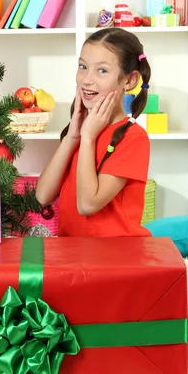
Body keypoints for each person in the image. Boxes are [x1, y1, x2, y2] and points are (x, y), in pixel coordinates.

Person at [35, 27, 152, 237]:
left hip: (114, 256)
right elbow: (43, 196)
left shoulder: (133, 138)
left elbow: (88, 205)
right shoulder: (80, 132)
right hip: (75, 255)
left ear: (129, 80)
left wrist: (88, 137)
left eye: (102, 70)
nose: (86, 79)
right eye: (83, 67)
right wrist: (72, 137)